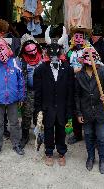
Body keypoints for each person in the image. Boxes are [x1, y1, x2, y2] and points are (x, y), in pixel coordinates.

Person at [33, 26, 73, 166]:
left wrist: (69, 109)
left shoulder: (67, 69)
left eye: (57, 52)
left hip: (62, 106)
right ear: (46, 53)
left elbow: (70, 90)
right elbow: (37, 92)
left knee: (61, 129)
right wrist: (38, 109)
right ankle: (49, 152)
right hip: (47, 106)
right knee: (48, 129)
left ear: (61, 52)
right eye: (51, 52)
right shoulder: (40, 70)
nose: (54, 55)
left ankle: (61, 152)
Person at [75, 47, 104, 174]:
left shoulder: (102, 71)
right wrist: (79, 113)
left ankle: (102, 160)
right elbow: (76, 95)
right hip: (86, 111)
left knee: (102, 137)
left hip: (100, 111)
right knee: (88, 136)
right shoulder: (79, 75)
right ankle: (90, 157)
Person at [66, 26, 92, 145]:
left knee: (87, 105)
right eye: (76, 37)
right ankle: (77, 134)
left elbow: (96, 63)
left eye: (81, 37)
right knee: (75, 107)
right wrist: (72, 70)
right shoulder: (69, 52)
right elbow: (65, 67)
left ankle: (90, 133)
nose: (78, 40)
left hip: (86, 82)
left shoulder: (89, 50)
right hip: (72, 83)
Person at [17, 34, 42, 148]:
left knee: (40, 115)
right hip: (28, 92)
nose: (32, 53)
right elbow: (18, 77)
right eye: (28, 50)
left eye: (33, 49)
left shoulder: (43, 57)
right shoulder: (21, 61)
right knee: (26, 115)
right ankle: (25, 136)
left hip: (41, 92)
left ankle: (40, 135)